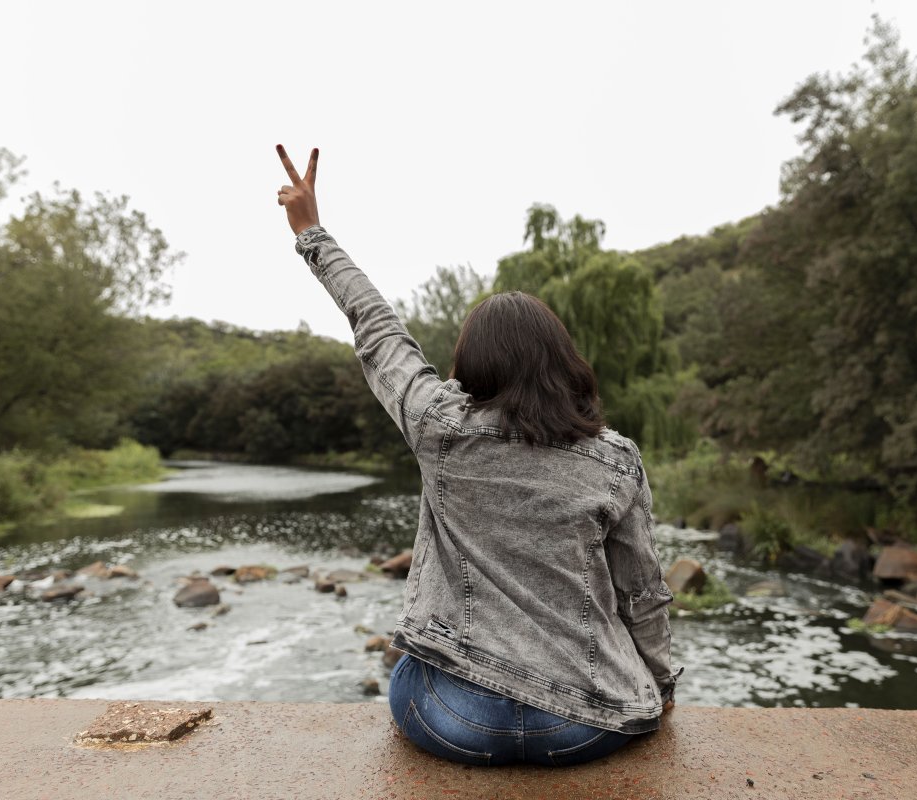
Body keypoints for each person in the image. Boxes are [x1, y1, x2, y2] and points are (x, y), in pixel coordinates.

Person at [275, 144, 680, 767]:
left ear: (471, 365)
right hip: (589, 723)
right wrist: (658, 687)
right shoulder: (616, 459)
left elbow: (377, 328)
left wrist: (312, 233)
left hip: (453, 719)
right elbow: (642, 592)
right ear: (563, 363)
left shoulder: (438, 428)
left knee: (412, 661)